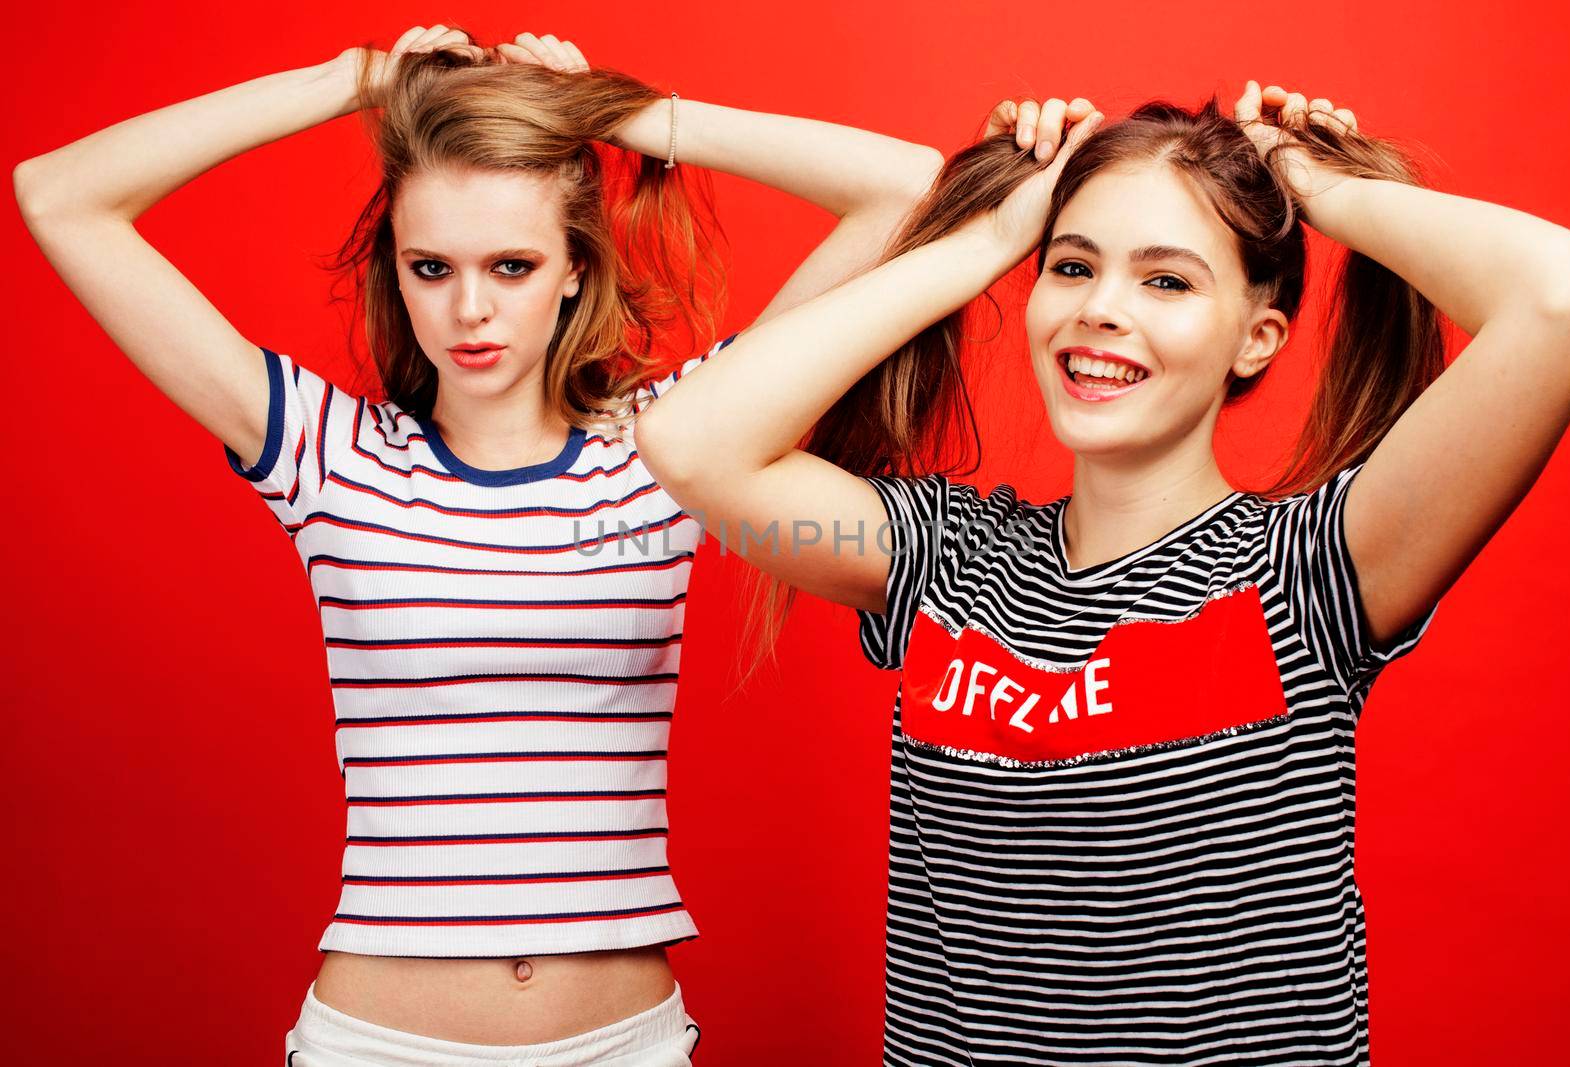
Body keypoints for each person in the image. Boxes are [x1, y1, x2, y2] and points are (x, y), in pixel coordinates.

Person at [13, 24, 946, 1065]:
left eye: (512, 264)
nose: (469, 308)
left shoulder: (673, 445)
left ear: (572, 270)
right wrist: (347, 83)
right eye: (431, 266)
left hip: (620, 1043)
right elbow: (59, 194)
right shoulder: (327, 455)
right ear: (396, 273)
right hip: (377, 1043)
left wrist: (612, 111)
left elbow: (906, 188)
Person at [635, 84, 1570, 1063]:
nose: (1100, 309)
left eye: (1167, 281)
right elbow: (691, 441)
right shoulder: (943, 557)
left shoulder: (1310, 572)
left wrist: (1314, 183)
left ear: (1256, 335)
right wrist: (981, 244)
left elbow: (1564, 295)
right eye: (1071, 265)